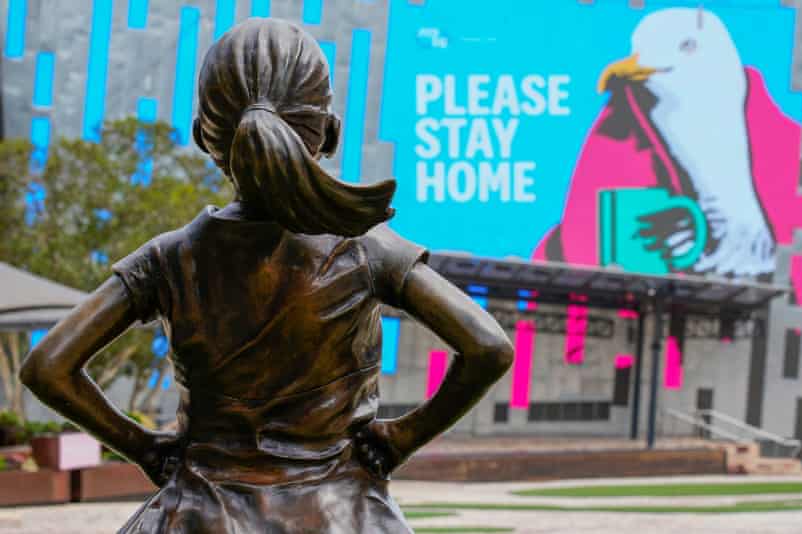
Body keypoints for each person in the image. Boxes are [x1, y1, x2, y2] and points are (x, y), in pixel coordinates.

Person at [20, 19, 513, 533]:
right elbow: (488, 348)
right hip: (341, 517)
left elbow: (48, 367)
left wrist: (142, 448)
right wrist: (403, 438)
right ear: (330, 131)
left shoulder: (167, 259)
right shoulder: (370, 252)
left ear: (201, 137)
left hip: (196, 516)